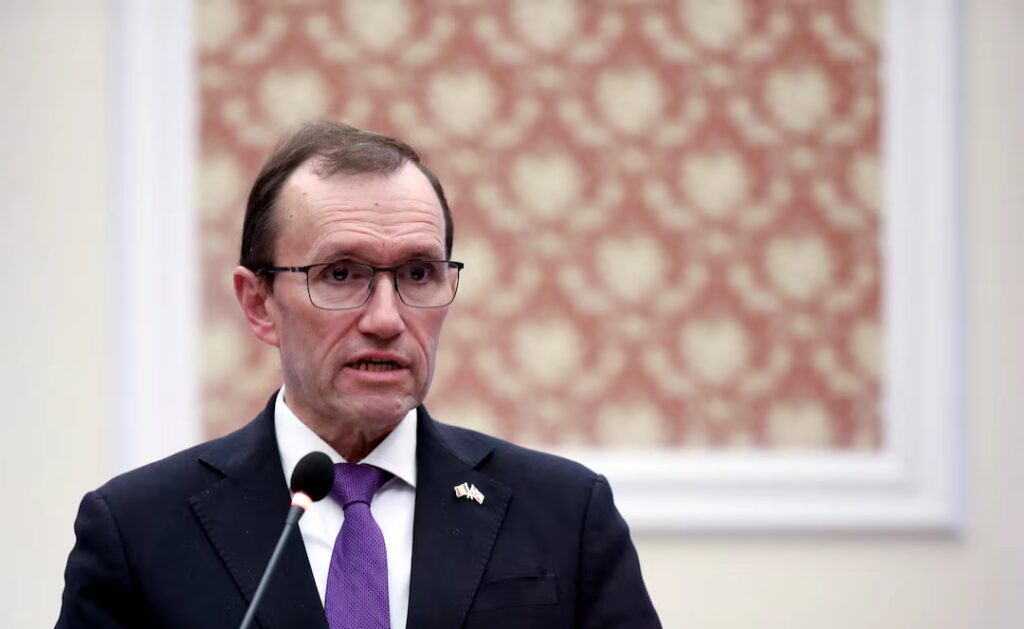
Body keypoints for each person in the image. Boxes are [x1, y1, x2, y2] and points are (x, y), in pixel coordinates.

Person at [56, 121, 661, 628]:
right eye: (341, 274)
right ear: (259, 304)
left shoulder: (565, 514)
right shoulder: (138, 532)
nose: (386, 319)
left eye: (418, 274)